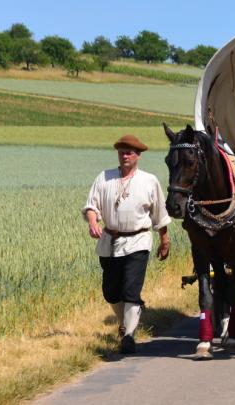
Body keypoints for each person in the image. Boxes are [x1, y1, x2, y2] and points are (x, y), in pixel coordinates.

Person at [82, 135, 172, 354]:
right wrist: (93, 223)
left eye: (129, 152)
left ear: (138, 155)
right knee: (111, 292)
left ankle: (129, 336)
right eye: (121, 152)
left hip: (138, 241)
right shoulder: (104, 177)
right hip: (109, 242)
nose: (124, 156)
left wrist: (164, 239)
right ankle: (125, 323)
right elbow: (91, 206)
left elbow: (159, 214)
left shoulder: (149, 181)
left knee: (131, 290)